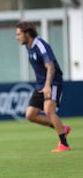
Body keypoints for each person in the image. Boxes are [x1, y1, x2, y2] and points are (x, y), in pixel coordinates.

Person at [15, 21, 71, 152]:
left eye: (18, 34)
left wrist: (47, 86)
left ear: (27, 34)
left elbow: (50, 66)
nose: (17, 37)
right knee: (30, 115)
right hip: (41, 83)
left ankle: (64, 144)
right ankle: (62, 128)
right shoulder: (28, 46)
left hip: (53, 82)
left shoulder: (40, 45)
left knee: (49, 110)